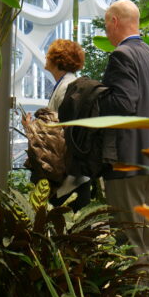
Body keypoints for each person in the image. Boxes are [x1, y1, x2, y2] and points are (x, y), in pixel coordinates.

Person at [99, 0, 149, 287]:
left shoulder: (122, 55)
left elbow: (123, 103)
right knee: (146, 239)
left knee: (129, 240)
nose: (106, 31)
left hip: (128, 160)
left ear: (115, 21)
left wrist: (95, 95)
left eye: (106, 25)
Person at [22, 39, 92, 209]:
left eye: (49, 54)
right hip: (74, 175)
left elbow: (57, 134)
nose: (46, 57)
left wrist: (32, 128)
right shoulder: (69, 85)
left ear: (58, 60)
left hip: (67, 178)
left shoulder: (66, 88)